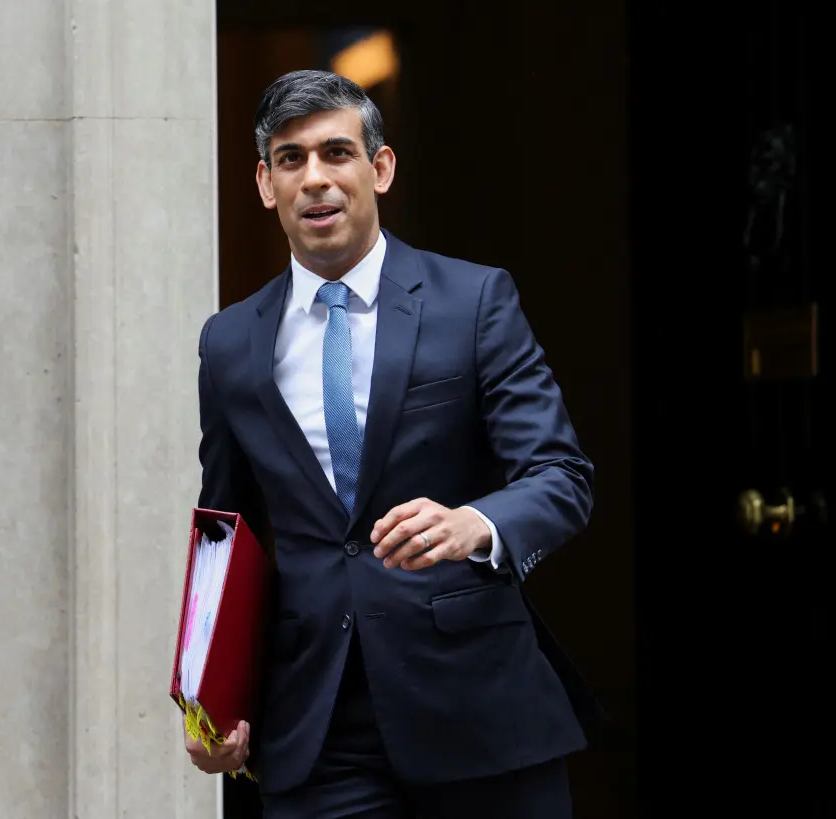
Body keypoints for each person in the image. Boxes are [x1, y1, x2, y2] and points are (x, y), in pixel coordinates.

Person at [187, 69, 601, 819]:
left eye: (336, 153)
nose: (315, 178)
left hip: (481, 711)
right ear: (264, 182)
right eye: (291, 159)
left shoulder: (474, 301)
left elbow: (560, 474)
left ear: (378, 168)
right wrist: (208, 702)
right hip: (318, 725)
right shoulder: (229, 344)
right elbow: (227, 531)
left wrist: (478, 522)